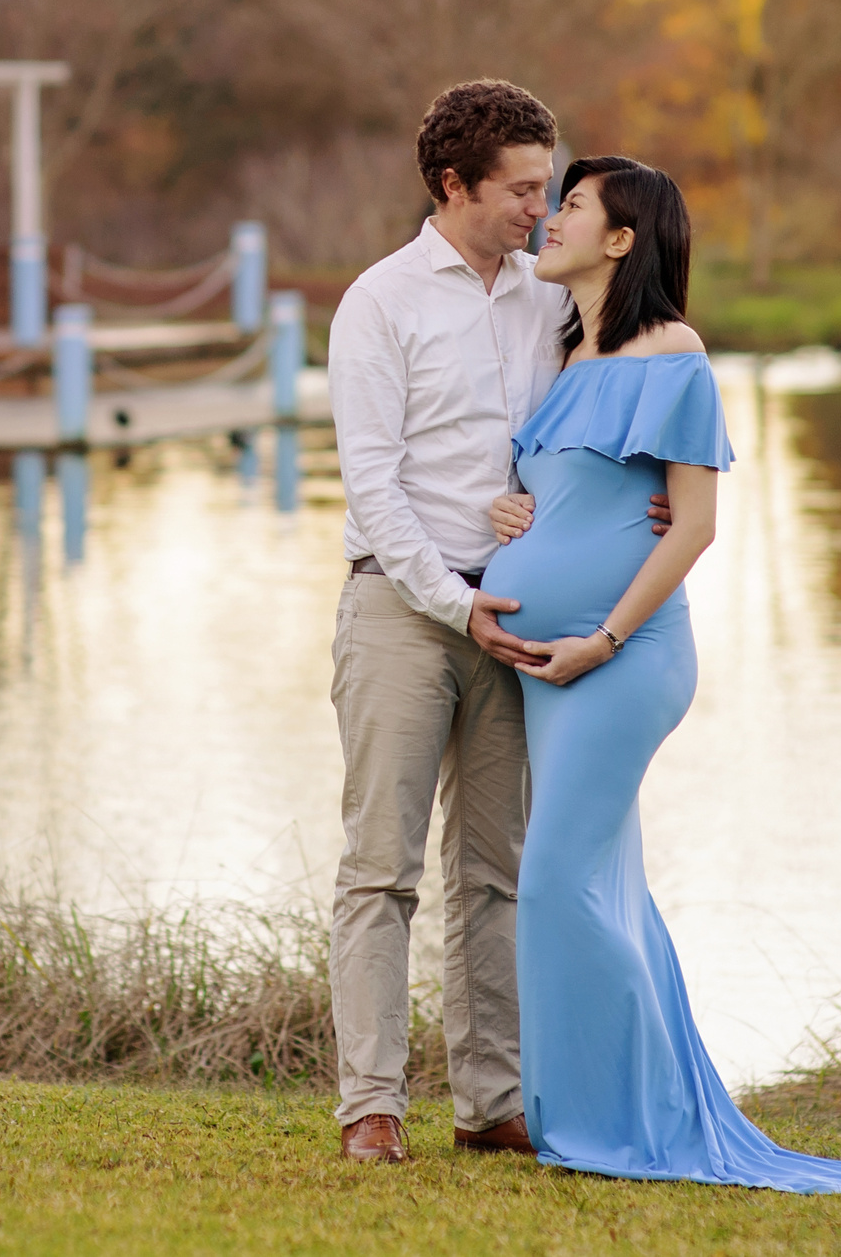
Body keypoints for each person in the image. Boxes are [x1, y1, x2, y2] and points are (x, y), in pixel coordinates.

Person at [479, 156, 841, 1198]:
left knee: (557, 880)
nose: (548, 218)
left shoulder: (671, 355)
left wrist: (599, 638)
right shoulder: (560, 353)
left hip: (620, 661)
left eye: (570, 206)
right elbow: (566, 495)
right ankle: (613, 1114)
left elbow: (692, 523)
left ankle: (617, 1128)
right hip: (543, 669)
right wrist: (510, 519)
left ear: (620, 241)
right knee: (605, 892)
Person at [326, 83, 672, 1163]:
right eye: (522, 188)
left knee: (497, 873)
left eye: (547, 187)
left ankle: (491, 1104)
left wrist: (646, 496)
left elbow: (594, 427)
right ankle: (371, 1106)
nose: (540, 206)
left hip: (521, 620)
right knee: (380, 869)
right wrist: (452, 602)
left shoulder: (547, 302)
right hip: (401, 605)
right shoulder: (377, 303)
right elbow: (372, 484)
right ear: (453, 185)